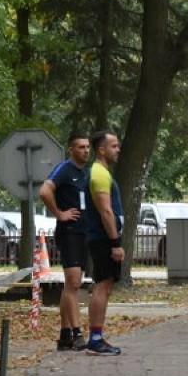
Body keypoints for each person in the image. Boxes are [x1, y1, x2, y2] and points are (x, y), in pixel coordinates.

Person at [39, 132, 91, 351]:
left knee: (72, 284)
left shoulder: (87, 174)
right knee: (73, 282)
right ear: (71, 149)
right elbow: (44, 191)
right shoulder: (64, 169)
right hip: (68, 232)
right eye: (80, 147)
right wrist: (59, 213)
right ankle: (78, 333)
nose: (85, 151)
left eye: (88, 147)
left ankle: (65, 334)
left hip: (84, 233)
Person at [82, 130, 125, 356]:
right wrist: (115, 243)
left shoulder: (102, 172)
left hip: (103, 237)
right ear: (102, 149)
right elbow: (105, 211)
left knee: (106, 286)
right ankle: (95, 340)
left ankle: (98, 338)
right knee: (102, 285)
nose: (118, 150)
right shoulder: (98, 174)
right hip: (102, 238)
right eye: (114, 146)